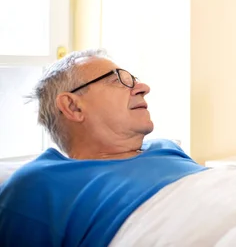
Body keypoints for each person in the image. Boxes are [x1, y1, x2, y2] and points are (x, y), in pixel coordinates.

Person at [0, 49, 208, 246]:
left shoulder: (166, 148)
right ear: (73, 106)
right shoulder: (38, 183)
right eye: (118, 80)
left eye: (133, 80)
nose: (144, 87)